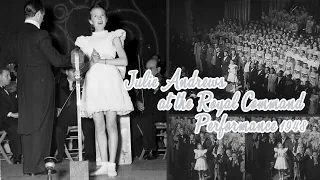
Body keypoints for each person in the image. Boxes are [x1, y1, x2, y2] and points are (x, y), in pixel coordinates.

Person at [3, 0, 70, 175]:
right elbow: (57, 60)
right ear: (39, 14)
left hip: (24, 87)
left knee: (28, 125)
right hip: (42, 88)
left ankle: (29, 167)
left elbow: (14, 60)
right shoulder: (41, 35)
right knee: (43, 125)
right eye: (43, 16)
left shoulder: (15, 35)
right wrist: (76, 57)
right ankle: (40, 166)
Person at [74, 3, 134, 176]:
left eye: (102, 15)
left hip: (110, 81)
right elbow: (81, 68)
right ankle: (105, 165)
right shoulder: (84, 41)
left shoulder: (113, 37)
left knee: (111, 125)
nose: (99, 18)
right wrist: (92, 62)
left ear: (106, 19)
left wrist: (102, 61)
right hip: (94, 83)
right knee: (99, 126)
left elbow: (124, 61)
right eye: (95, 16)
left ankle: (112, 165)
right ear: (90, 21)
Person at [53, 66, 96, 163]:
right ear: (67, 72)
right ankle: (60, 154)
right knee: (59, 127)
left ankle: (90, 155)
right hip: (65, 115)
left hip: (81, 114)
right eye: (73, 71)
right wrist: (56, 108)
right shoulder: (58, 84)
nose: (77, 73)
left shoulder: (83, 83)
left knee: (89, 125)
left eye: (78, 71)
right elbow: (54, 100)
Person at [0, 67, 22, 164]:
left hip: (6, 119)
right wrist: (11, 114)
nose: (9, 78)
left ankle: (20, 153)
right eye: (7, 76)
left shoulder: (4, 90)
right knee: (14, 125)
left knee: (19, 123)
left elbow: (11, 103)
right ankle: (17, 155)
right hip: (2, 118)